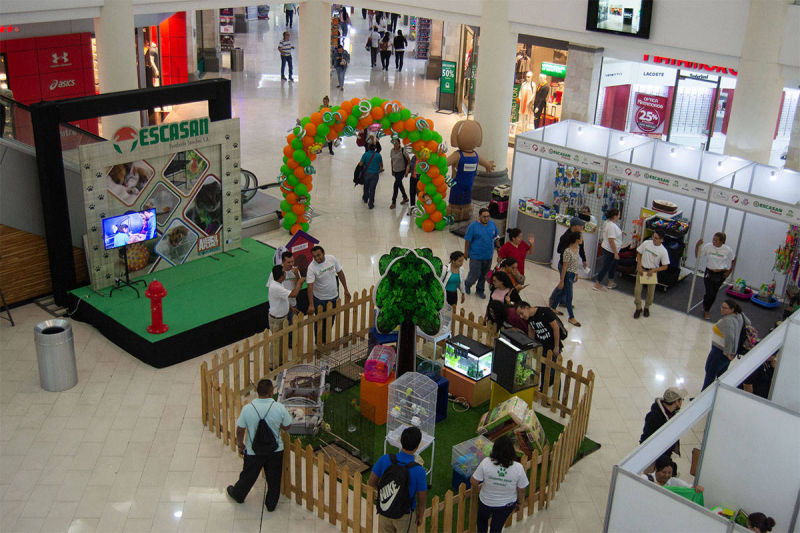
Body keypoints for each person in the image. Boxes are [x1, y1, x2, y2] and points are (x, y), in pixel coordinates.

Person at [227, 379, 293, 510]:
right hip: (275, 451)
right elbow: (287, 426)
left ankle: (239, 494)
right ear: (270, 392)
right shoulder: (279, 408)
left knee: (247, 476)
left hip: (253, 451)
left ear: (258, 393)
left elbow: (240, 429)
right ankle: (271, 504)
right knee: (274, 479)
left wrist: (240, 445)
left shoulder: (247, 409)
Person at [367, 427, 427, 532]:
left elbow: (371, 482)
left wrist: (385, 494)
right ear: (417, 447)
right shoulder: (419, 470)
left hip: (385, 511)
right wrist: (420, 515)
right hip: (404, 516)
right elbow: (422, 498)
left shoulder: (385, 459)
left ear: (401, 441)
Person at [470, 435, 528, 533]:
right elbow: (521, 488)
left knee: (481, 525)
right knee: (496, 528)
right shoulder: (518, 468)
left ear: (495, 449)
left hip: (486, 501)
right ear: (511, 451)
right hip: (506, 505)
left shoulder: (486, 462)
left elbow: (473, 481)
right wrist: (520, 501)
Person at [307, 245, 350, 344]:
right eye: (314, 256)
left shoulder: (332, 259)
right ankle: (319, 342)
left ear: (323, 253)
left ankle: (325, 340)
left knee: (331, 320)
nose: (317, 258)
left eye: (319, 255)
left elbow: (340, 273)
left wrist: (346, 289)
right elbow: (310, 286)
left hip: (334, 297)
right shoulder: (311, 268)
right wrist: (311, 304)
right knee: (319, 322)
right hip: (320, 299)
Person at [702, 299, 747, 390]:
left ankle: (703, 396)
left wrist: (727, 352)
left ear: (732, 309)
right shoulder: (740, 315)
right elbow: (748, 323)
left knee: (710, 374)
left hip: (719, 352)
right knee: (721, 375)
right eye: (721, 307)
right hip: (729, 354)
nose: (722, 309)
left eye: (725, 308)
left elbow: (730, 337)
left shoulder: (727, 320)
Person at [516, 301, 561, 391]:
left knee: (553, 372)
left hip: (552, 346)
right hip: (542, 347)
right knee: (544, 370)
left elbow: (556, 328)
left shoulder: (545, 312)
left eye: (521, 313)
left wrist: (556, 346)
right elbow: (531, 332)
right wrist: (532, 346)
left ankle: (555, 394)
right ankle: (543, 389)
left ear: (527, 308)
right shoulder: (529, 318)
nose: (521, 316)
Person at [695, 232, 736, 320]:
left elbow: (733, 259)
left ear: (722, 241)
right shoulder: (708, 246)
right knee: (709, 292)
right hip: (709, 272)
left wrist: (729, 271)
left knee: (713, 294)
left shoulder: (727, 249)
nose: (714, 241)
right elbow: (698, 256)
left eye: (716, 240)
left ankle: (707, 307)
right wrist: (697, 246)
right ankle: (706, 310)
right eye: (713, 239)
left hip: (721, 273)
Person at [550, 217, 586, 310]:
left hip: (572, 266)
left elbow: (581, 249)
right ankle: (553, 300)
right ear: (575, 226)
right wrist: (569, 251)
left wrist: (584, 260)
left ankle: (563, 302)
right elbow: (559, 250)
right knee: (564, 284)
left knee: (567, 285)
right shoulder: (566, 237)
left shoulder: (579, 236)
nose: (582, 227)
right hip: (564, 265)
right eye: (581, 226)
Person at [633, 229, 670, 319]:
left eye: (656, 238)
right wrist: (639, 266)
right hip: (642, 270)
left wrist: (654, 270)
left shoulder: (663, 251)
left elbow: (665, 266)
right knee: (637, 291)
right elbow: (639, 253)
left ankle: (647, 307)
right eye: (653, 237)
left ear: (661, 239)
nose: (654, 239)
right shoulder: (646, 243)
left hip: (652, 273)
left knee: (650, 294)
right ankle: (638, 308)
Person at [464, 208, 499, 299]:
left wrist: (498, 247)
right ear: (479, 216)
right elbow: (468, 240)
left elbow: (496, 236)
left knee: (484, 275)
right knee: (474, 274)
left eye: (488, 216)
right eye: (484, 217)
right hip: (476, 256)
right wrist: (466, 252)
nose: (486, 218)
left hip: (488, 255)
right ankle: (467, 284)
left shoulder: (492, 224)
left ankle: (480, 290)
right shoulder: (473, 226)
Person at [640, 387, 685, 457]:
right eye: (682, 400)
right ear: (676, 402)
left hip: (665, 452)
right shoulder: (654, 417)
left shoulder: (672, 413)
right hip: (656, 455)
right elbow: (647, 440)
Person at [550, 231, 582, 327]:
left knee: (563, 292)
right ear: (577, 240)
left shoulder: (577, 248)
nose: (582, 240)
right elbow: (564, 267)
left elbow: (575, 263)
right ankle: (571, 317)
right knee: (569, 296)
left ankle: (553, 307)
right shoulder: (567, 251)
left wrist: (576, 274)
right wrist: (562, 280)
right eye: (581, 238)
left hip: (572, 275)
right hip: (567, 275)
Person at [269, 250, 308, 317]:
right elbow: (272, 290)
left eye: (292, 261)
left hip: (293, 303)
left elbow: (300, 287)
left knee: (293, 325)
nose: (291, 264)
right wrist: (300, 281)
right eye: (288, 262)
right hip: (281, 306)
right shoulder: (275, 273)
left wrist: (296, 275)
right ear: (283, 262)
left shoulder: (295, 271)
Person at [267, 264, 304, 333]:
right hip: (278, 320)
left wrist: (291, 308)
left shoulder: (279, 283)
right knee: (278, 342)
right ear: (282, 276)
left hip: (282, 318)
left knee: (283, 339)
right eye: (284, 273)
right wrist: (299, 282)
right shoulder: (276, 287)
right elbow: (293, 294)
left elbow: (283, 297)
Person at [594, 208, 622, 291]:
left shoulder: (609, 223)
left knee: (612, 266)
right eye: (619, 215)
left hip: (609, 250)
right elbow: (611, 240)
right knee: (606, 267)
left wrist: (621, 233)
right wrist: (615, 253)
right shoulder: (611, 226)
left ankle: (610, 282)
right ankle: (597, 284)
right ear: (615, 216)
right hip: (610, 250)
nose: (619, 216)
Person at [357, 140, 383, 209]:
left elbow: (361, 164)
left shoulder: (365, 154)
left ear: (368, 147)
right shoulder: (378, 155)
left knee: (366, 187)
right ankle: (371, 204)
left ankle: (365, 198)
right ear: (375, 148)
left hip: (366, 174)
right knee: (372, 189)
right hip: (375, 174)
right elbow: (381, 166)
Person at [389, 138, 409, 208]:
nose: (395, 145)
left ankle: (393, 202)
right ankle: (405, 197)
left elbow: (408, 161)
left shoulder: (403, 151)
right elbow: (392, 160)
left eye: (396, 143)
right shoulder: (392, 151)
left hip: (402, 170)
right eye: (394, 143)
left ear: (399, 144)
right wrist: (392, 170)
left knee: (396, 185)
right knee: (399, 184)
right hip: (395, 170)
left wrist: (406, 171)